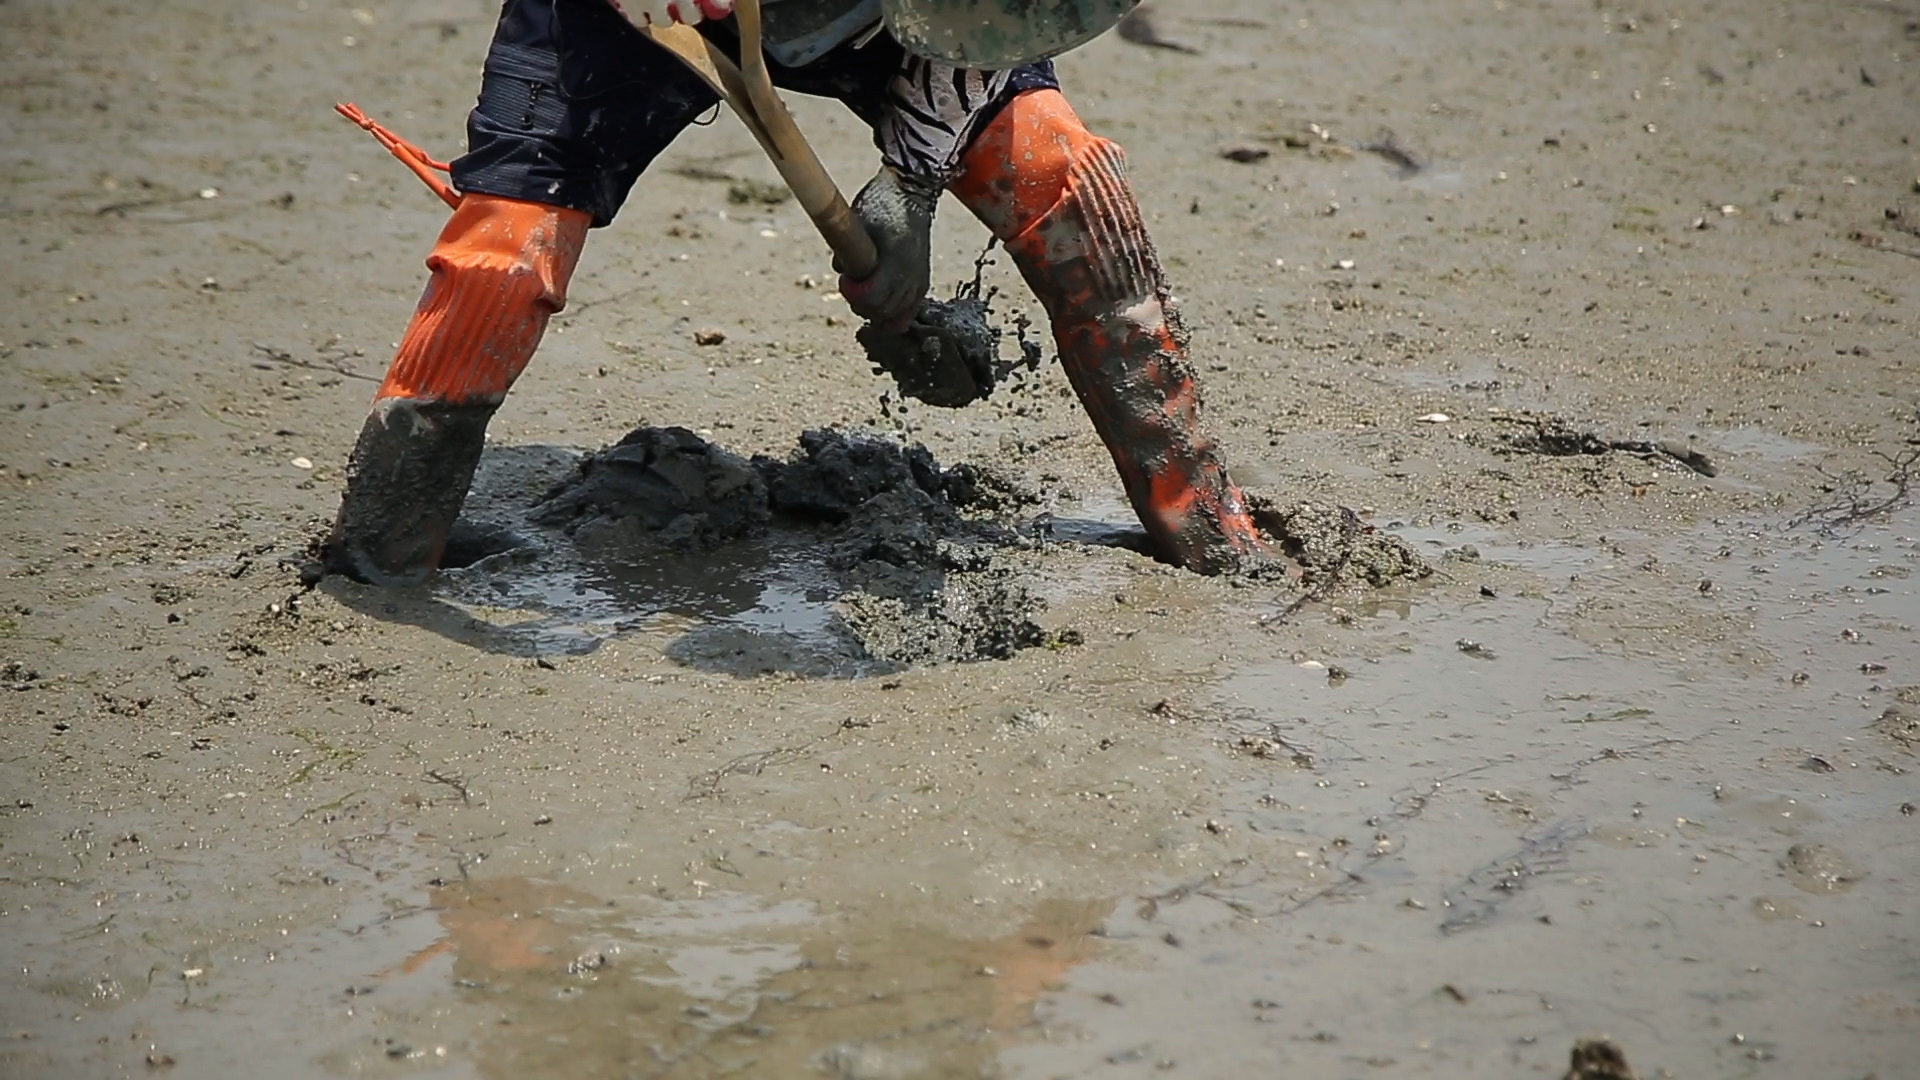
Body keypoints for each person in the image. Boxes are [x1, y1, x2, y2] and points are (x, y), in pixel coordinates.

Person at [325, 0, 1270, 583]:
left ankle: (1206, 526)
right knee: (508, 249)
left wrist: (911, 178)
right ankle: (385, 550)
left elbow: (1006, 20)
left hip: (898, 15)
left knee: (1068, 183)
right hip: (623, 13)